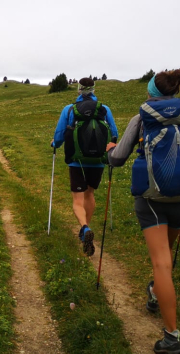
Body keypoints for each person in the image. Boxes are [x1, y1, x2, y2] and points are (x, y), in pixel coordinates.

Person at [106, 69, 180, 354]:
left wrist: (110, 149)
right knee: (165, 257)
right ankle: (154, 291)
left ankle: (171, 338)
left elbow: (119, 158)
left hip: (151, 200)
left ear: (151, 93)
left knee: (161, 263)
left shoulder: (142, 118)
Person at [51, 76, 118, 256]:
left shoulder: (70, 109)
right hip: (97, 160)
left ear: (79, 89)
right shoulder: (104, 109)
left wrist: (55, 145)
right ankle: (86, 229)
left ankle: (84, 228)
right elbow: (114, 133)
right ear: (94, 89)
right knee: (90, 194)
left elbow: (59, 134)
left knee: (77, 200)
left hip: (76, 160)